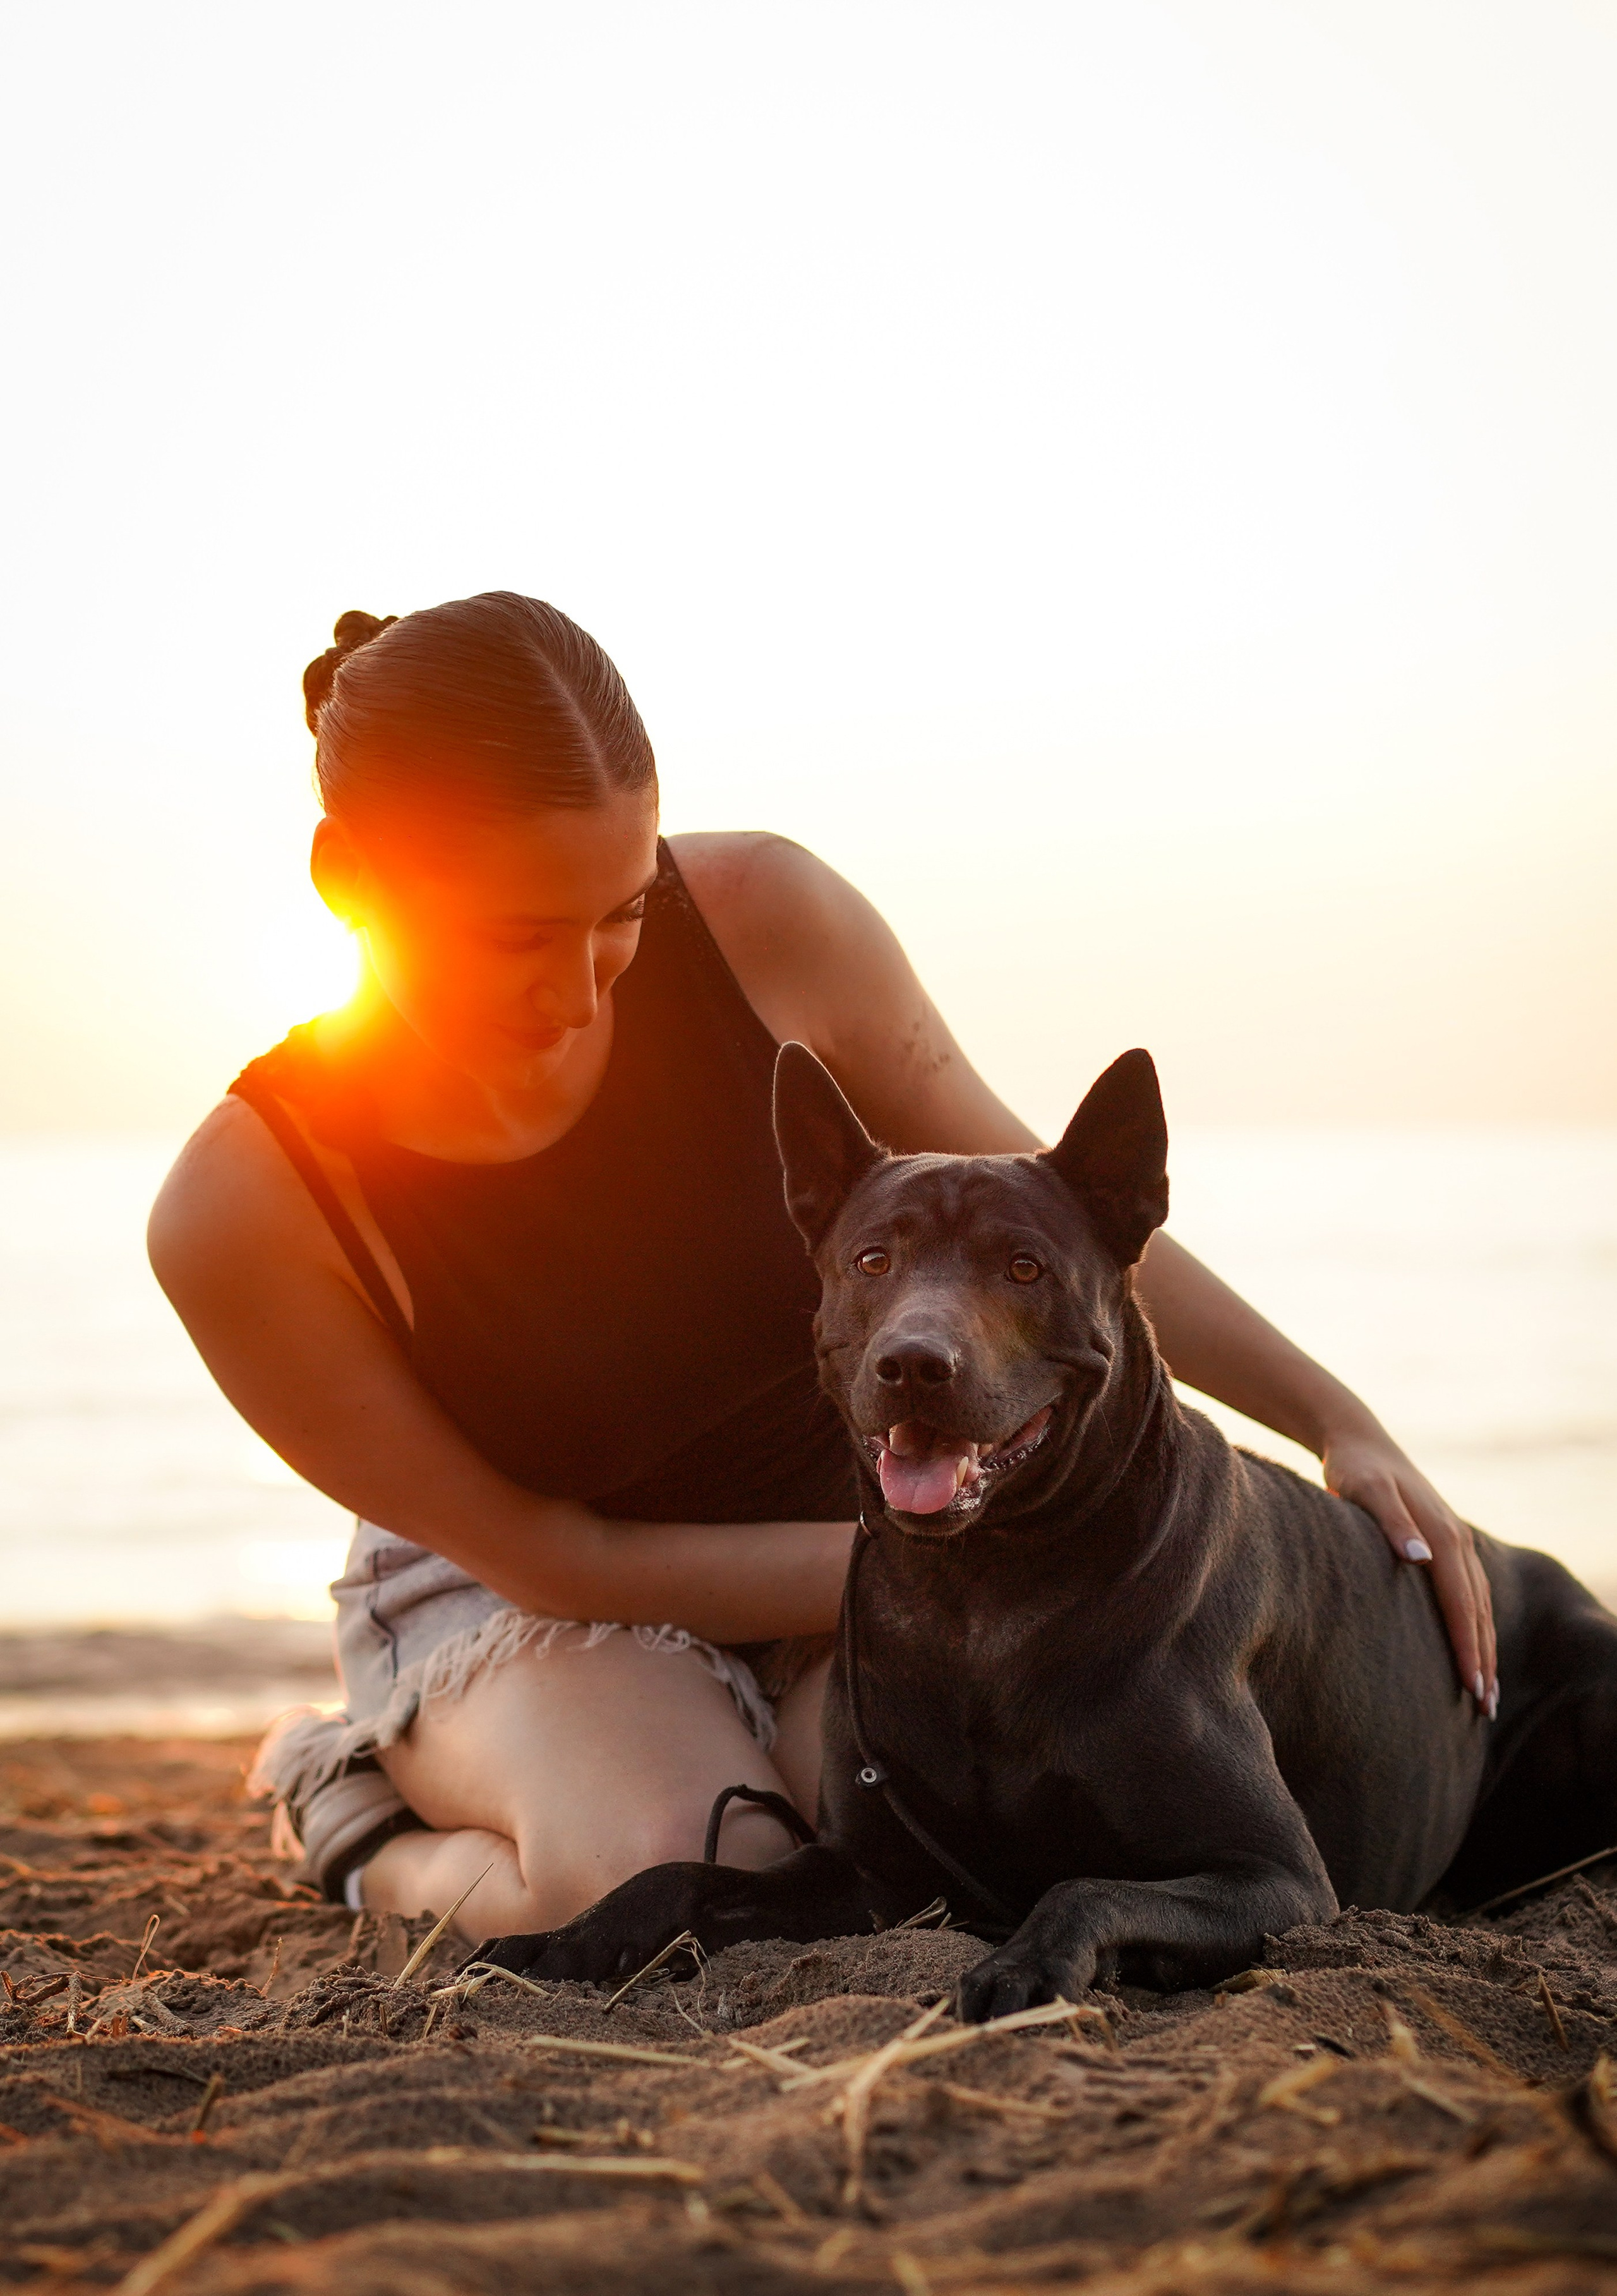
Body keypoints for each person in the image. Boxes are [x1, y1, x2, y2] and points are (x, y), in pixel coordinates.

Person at [148, 593, 1498, 1942]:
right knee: (666, 1868)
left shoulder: (761, 924)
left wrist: (1336, 1422)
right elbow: (558, 1552)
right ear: (345, 879)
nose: (579, 995)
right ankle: (357, 1819)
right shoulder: (247, 1207)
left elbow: (1058, 1212)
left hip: (868, 1527)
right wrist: (923, 1563)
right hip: (536, 1582)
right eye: (511, 936)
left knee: (930, 1856)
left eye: (620, 912)